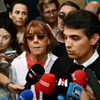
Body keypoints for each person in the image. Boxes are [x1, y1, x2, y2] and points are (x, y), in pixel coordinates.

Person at [9, 20, 58, 100]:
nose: (35, 41)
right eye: (30, 37)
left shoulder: (57, 63)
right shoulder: (16, 64)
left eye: (40, 36)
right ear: (27, 41)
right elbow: (13, 96)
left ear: (48, 40)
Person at [0, 18, 24, 99]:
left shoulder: (16, 58)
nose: (0, 41)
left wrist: (9, 65)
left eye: (5, 38)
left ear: (11, 41)